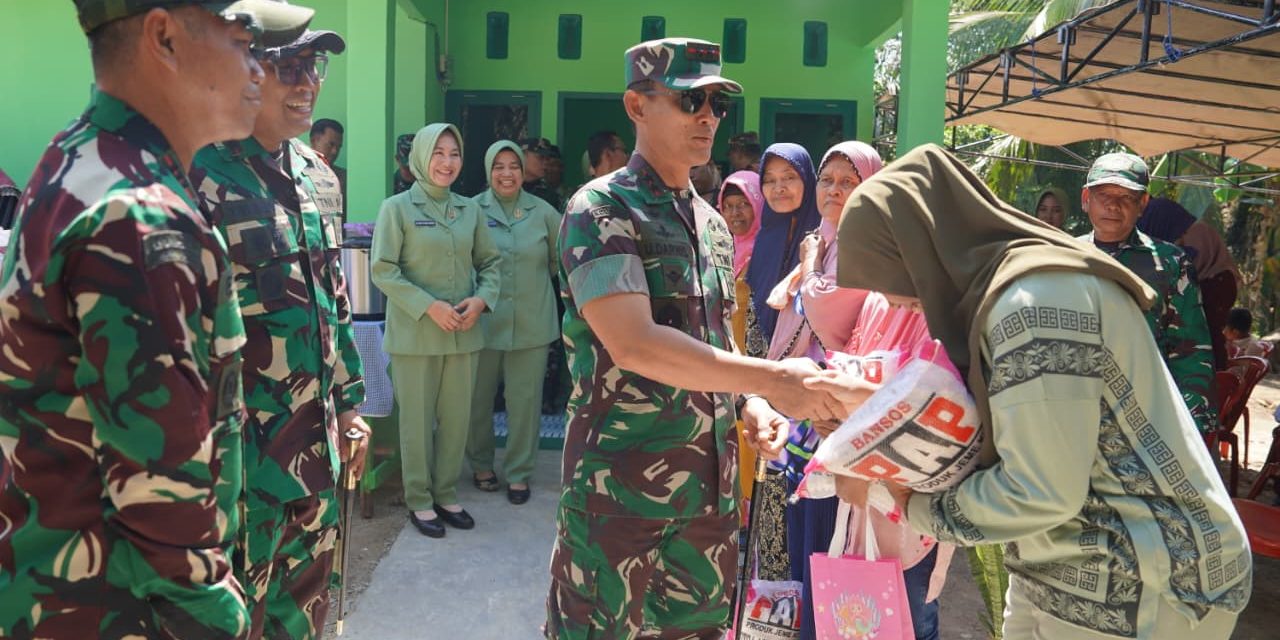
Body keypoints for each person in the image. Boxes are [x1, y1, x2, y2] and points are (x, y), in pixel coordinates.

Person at [812, 144, 1250, 639]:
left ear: (917, 249)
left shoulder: (1034, 304)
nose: (891, 301)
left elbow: (1041, 491)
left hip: (1142, 581)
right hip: (1062, 566)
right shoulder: (1007, 291)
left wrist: (914, 504)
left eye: (885, 278)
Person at [0, 1, 314, 637]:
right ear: (164, 37)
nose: (260, 68)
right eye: (240, 42)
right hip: (115, 610)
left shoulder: (82, 156)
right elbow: (163, 512)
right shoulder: (140, 216)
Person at [544, 37, 843, 639]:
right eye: (689, 100)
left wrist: (752, 404)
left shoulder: (710, 223)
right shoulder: (602, 209)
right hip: (619, 499)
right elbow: (635, 344)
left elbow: (710, 342)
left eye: (717, 103)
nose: (707, 116)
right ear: (636, 106)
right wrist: (773, 380)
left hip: (708, 500)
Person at [188, 27, 369, 639]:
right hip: (242, 464)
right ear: (245, 69)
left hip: (315, 447)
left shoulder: (318, 175)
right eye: (289, 65)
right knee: (237, 616)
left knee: (309, 606)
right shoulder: (199, 174)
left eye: (314, 65)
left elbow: (332, 304)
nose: (308, 82)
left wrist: (348, 407)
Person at [372, 123, 501, 539]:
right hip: (415, 336)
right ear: (421, 157)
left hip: (463, 334)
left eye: (454, 153)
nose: (447, 162)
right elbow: (383, 269)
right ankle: (420, 500)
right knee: (416, 421)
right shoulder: (397, 208)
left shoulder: (470, 210)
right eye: (438, 153)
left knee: (456, 420)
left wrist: (481, 300)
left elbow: (491, 265)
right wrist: (428, 306)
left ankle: (446, 493)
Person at [1077, 153, 1216, 434]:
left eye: (1126, 197)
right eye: (1104, 194)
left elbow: (1191, 350)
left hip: (1142, 415)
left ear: (1142, 204)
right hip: (1074, 411)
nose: (1113, 205)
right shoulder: (1063, 256)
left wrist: (1193, 426)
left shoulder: (1170, 263)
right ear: (1086, 199)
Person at [466, 140, 561, 505]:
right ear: (488, 170)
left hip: (532, 323)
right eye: (498, 166)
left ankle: (519, 473)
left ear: (523, 171)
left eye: (514, 166)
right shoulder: (471, 210)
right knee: (478, 400)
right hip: (483, 324)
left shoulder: (544, 212)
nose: (507, 173)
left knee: (524, 402)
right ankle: (481, 464)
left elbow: (558, 262)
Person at [1139, 196, 1240, 370]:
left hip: (1214, 281)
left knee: (1206, 335)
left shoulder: (1157, 215)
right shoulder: (1162, 215)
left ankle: (1218, 383)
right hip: (1217, 278)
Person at [746, 143, 823, 355]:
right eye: (769, 180)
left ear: (807, 180)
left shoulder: (826, 238)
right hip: (759, 365)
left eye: (789, 177)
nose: (778, 187)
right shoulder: (765, 238)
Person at [520, 136, 563, 211]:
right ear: (523, 156)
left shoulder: (549, 196)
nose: (546, 162)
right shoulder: (507, 187)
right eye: (540, 157)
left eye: (547, 158)